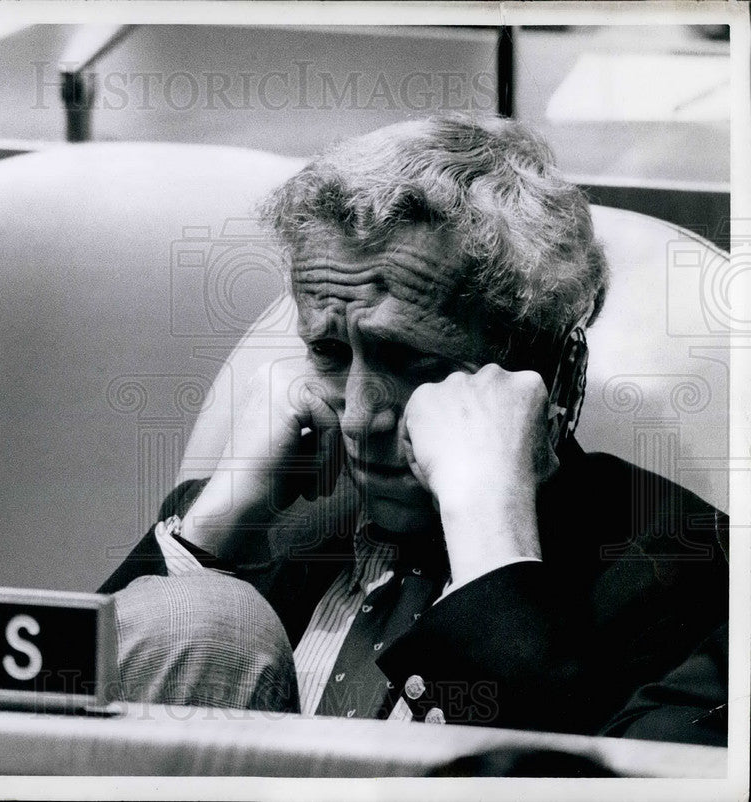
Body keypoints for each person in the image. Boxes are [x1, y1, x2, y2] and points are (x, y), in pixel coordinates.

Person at [100, 114, 729, 740]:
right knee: (205, 616)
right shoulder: (252, 522)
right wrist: (213, 531)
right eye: (329, 354)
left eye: (412, 364)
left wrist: (491, 541)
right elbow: (36, 727)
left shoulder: (689, 569)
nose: (357, 415)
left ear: (553, 371)